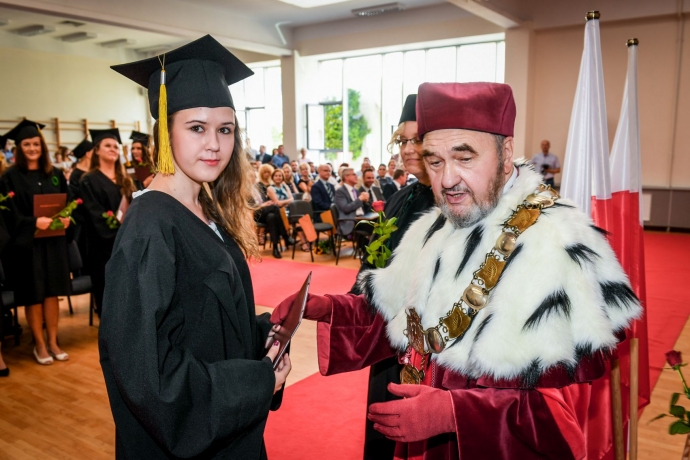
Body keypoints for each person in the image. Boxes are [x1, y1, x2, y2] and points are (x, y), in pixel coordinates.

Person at [272, 82, 642, 460]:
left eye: (464, 158)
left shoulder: (557, 244)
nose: (447, 179)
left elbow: (563, 421)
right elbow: (399, 313)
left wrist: (454, 414)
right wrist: (328, 308)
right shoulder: (437, 224)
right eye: (435, 162)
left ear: (506, 153)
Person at [104, 35, 291, 459]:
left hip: (228, 435)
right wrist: (256, 381)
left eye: (225, 129)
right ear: (164, 132)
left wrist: (263, 338)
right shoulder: (150, 228)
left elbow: (200, 324)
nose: (214, 144)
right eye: (196, 128)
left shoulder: (205, 208)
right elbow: (148, 375)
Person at [0, 120, 72, 365]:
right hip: (28, 246)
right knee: (34, 295)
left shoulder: (55, 174)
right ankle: (39, 344)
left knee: (52, 293)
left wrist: (66, 219)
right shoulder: (10, 178)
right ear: (19, 148)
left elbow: (66, 202)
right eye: (27, 144)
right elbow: (9, 214)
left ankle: (53, 341)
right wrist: (33, 223)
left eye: (36, 144)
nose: (32, 148)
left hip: (53, 243)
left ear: (42, 146)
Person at [80, 128, 135, 315]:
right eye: (108, 146)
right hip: (102, 248)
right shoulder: (88, 180)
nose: (113, 149)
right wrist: (120, 231)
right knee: (108, 296)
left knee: (130, 294)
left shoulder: (125, 178)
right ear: (96, 150)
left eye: (115, 146)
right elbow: (94, 214)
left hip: (128, 245)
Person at [67, 138, 94, 272]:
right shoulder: (76, 174)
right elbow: (75, 200)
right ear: (88, 154)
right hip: (82, 222)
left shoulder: (93, 172)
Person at [335, 167, 369, 235]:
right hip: (351, 220)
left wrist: (366, 201)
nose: (356, 176)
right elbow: (346, 208)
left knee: (380, 221)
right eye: (353, 174)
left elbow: (362, 208)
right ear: (346, 177)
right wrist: (360, 199)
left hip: (362, 218)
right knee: (375, 227)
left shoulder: (356, 190)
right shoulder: (340, 191)